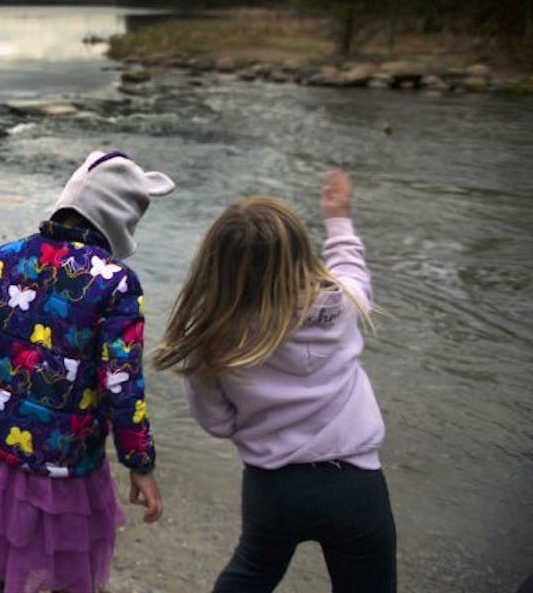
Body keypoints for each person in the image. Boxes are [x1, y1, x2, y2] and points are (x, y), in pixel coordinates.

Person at [0, 149, 172, 593]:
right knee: (61, 569)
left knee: (4, 557)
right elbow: (122, 383)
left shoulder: (9, 256)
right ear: (120, 221)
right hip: (63, 462)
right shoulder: (118, 283)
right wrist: (139, 462)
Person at [152, 170, 395, 593]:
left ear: (216, 265)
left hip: (274, 486)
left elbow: (216, 422)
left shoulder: (211, 338)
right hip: (356, 484)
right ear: (300, 254)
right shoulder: (342, 303)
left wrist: (257, 420)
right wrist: (338, 220)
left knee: (251, 573)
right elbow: (351, 267)